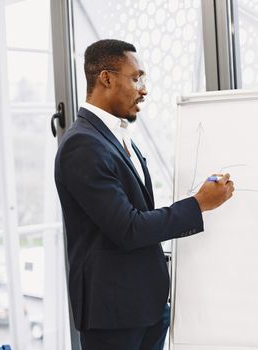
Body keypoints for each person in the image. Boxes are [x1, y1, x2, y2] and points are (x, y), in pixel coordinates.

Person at [54, 39, 234, 350]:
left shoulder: (116, 136)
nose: (144, 89)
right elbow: (128, 228)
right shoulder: (81, 145)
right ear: (106, 78)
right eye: (136, 77)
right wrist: (198, 204)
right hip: (114, 317)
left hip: (146, 309)